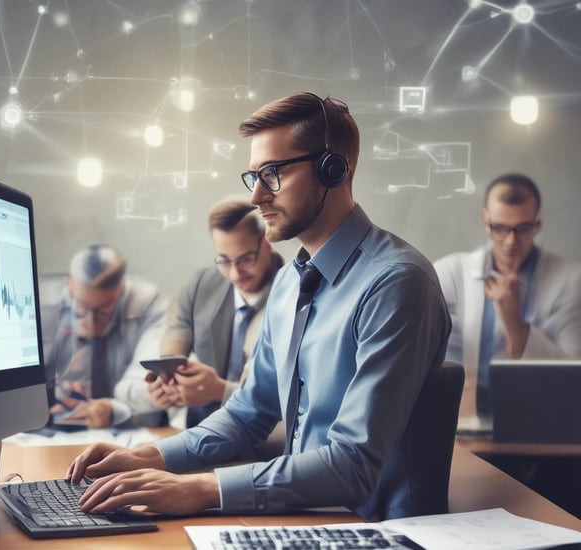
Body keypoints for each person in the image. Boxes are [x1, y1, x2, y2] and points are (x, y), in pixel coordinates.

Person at [67, 92, 451, 520]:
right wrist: (148, 456)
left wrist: (200, 489)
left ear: (334, 169)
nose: (256, 197)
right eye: (254, 176)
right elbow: (247, 414)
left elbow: (353, 464)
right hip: (305, 516)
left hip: (378, 530)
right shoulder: (288, 284)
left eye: (273, 173)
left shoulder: (397, 283)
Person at [434, 173, 581, 517]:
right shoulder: (451, 273)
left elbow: (571, 378)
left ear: (538, 225)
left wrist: (514, 322)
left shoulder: (570, 279)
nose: (511, 241)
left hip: (544, 444)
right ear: (486, 221)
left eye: (522, 229)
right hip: (466, 437)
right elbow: (427, 353)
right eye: (501, 228)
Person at [148, 197, 284, 428]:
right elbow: (176, 332)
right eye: (224, 260)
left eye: (246, 259)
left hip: (267, 439)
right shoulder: (202, 284)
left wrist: (220, 391)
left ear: (266, 242)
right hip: (199, 433)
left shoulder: (294, 294)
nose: (235, 273)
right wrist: (167, 382)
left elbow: (286, 398)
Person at [40, 243, 168, 429]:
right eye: (82, 307)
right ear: (69, 284)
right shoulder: (39, 305)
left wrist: (114, 410)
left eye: (103, 309)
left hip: (119, 431)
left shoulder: (147, 303)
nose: (91, 322)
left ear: (121, 289)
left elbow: (146, 385)